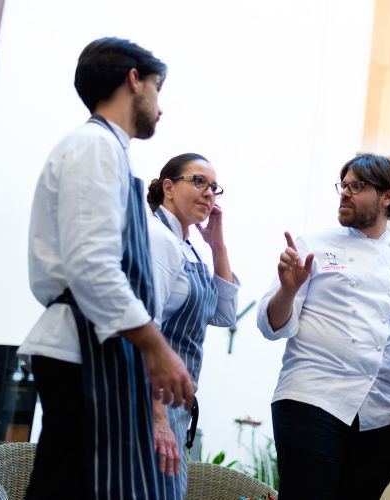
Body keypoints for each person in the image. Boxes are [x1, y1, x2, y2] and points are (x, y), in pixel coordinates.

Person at [19, 37, 194, 499]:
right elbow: (91, 266)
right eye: (157, 88)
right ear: (134, 80)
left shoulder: (107, 151)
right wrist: (157, 348)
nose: (160, 107)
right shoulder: (94, 147)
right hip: (80, 352)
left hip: (96, 350)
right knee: (72, 486)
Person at [256, 153, 390, 499]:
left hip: (382, 415)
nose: (345, 193)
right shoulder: (311, 246)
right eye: (344, 185)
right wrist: (288, 288)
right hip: (312, 396)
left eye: (357, 186)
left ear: (387, 197)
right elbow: (271, 324)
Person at [146, 153, 240, 498]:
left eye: (214, 187)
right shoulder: (157, 239)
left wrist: (217, 244)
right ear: (168, 187)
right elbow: (143, 330)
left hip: (174, 405)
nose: (208, 193)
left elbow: (224, 314)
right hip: (147, 401)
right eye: (198, 181)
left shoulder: (188, 247)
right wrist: (157, 419)